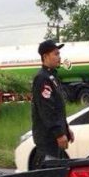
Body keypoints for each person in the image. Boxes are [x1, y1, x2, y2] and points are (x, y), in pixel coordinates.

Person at [31, 39, 73, 168]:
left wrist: (66, 129)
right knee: (49, 176)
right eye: (55, 54)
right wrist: (59, 134)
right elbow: (47, 110)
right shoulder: (42, 78)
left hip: (54, 137)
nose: (59, 57)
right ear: (45, 56)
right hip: (48, 138)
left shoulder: (52, 77)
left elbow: (58, 107)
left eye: (59, 54)